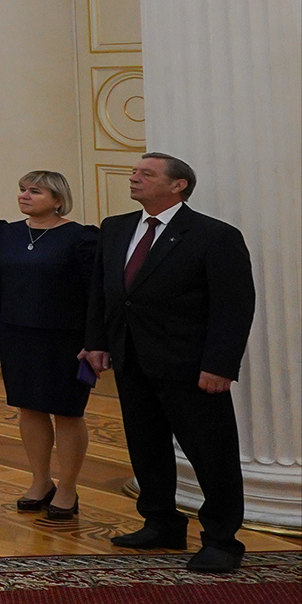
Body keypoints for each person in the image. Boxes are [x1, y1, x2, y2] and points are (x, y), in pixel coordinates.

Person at [86, 153, 256, 574]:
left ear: (178, 185)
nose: (134, 178)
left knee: (211, 454)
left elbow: (233, 307)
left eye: (147, 174)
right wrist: (96, 342)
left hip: (190, 364)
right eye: (134, 172)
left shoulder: (214, 235)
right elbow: (102, 292)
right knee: (146, 446)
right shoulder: (116, 228)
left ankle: (221, 539)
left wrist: (220, 365)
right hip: (131, 358)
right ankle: (161, 522)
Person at [0, 170, 99, 520]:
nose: (24, 196)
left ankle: (67, 487)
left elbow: (95, 293)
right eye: (22, 189)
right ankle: (40, 481)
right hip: (17, 333)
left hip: (65, 338)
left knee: (67, 412)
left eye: (35, 191)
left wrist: (93, 340)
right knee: (29, 407)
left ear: (58, 199)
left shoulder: (80, 238)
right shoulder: (7, 233)